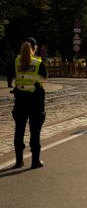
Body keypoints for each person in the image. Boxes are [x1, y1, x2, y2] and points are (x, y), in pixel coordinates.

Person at [12, 37, 47, 169]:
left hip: (20, 100)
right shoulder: (38, 63)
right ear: (35, 48)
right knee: (35, 131)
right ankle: (35, 161)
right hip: (35, 101)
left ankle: (18, 161)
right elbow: (44, 76)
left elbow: (13, 75)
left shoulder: (16, 62)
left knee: (19, 130)